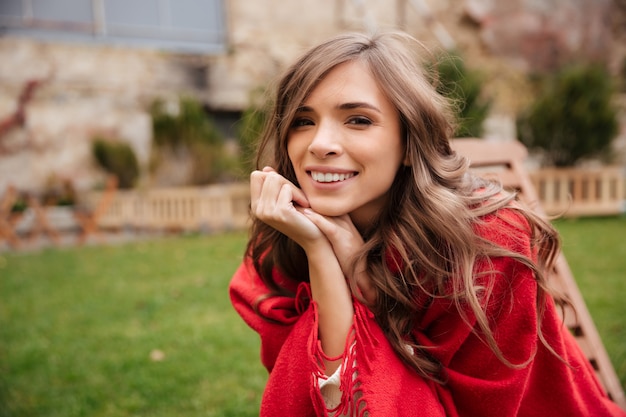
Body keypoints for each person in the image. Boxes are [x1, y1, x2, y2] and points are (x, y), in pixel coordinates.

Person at [229, 31, 626, 417]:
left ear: (408, 143)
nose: (320, 144)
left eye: (358, 120)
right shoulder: (282, 243)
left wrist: (361, 279)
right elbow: (319, 401)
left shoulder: (485, 248)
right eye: (302, 120)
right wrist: (322, 254)